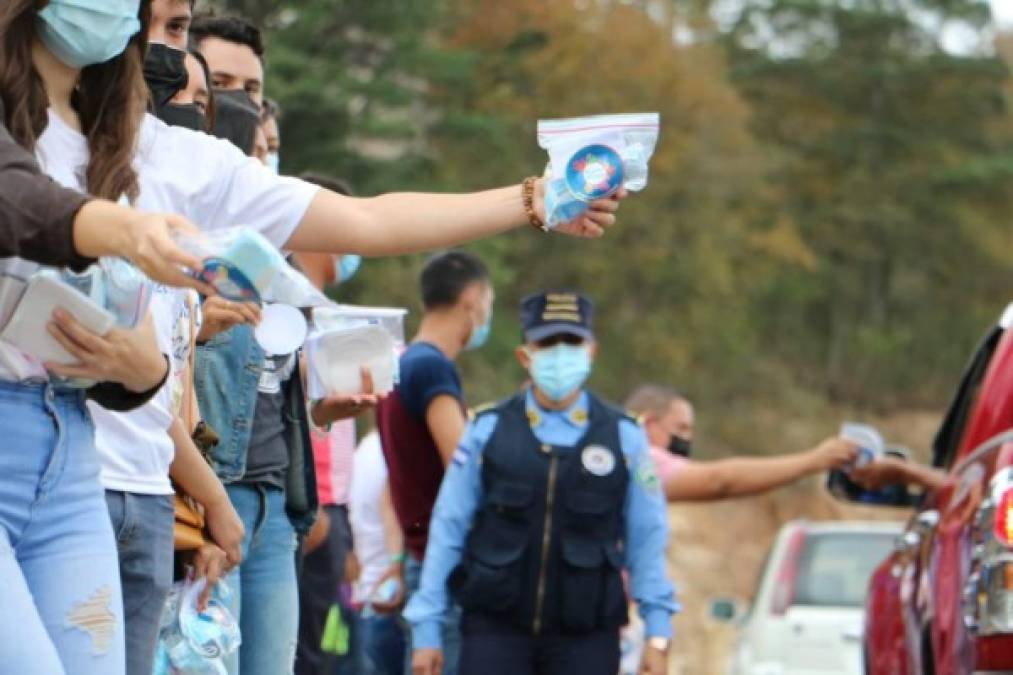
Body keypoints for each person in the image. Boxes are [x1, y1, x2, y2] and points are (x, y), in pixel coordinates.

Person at [406, 292, 678, 675]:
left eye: (572, 342)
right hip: (495, 634)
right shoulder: (488, 430)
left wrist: (658, 632)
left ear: (592, 351)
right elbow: (449, 528)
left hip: (586, 638)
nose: (560, 353)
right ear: (525, 355)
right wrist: (427, 629)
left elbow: (646, 537)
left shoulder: (623, 436)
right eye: (547, 343)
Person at [376, 250, 495, 675]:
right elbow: (464, 468)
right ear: (474, 299)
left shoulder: (400, 365)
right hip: (444, 565)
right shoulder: (431, 370)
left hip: (418, 555)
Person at [293, 174, 376, 675]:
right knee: (311, 651)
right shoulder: (293, 316)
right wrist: (316, 506)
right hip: (314, 508)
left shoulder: (331, 316)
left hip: (334, 514)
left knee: (335, 646)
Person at [625, 385, 858, 502]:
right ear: (648, 423)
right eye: (681, 429)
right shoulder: (640, 460)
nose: (686, 440)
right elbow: (720, 481)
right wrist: (814, 460)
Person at [349, 430, 407, 675]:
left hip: (372, 597)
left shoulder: (367, 446)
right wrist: (397, 563)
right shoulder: (400, 445)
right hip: (396, 598)